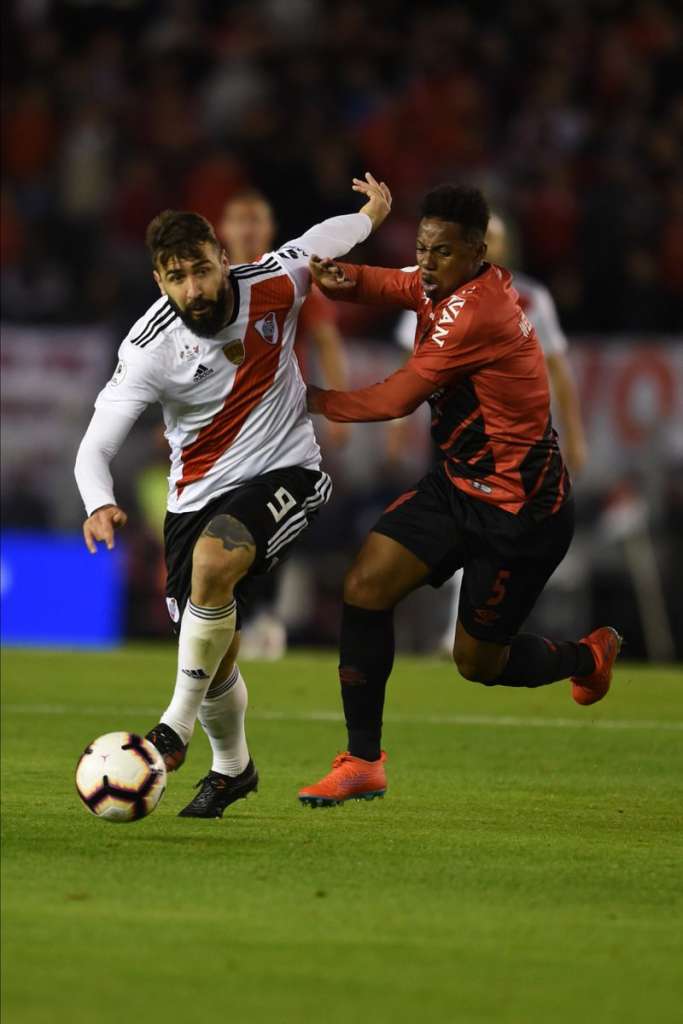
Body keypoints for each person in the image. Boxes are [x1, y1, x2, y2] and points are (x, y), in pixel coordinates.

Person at [74, 172, 392, 819]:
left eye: (199, 268)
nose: (191, 287)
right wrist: (96, 500)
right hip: (195, 497)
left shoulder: (272, 284)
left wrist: (373, 213)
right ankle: (233, 768)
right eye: (175, 276)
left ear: (223, 258)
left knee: (215, 568)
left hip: (288, 470)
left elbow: (321, 240)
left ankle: (172, 730)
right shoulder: (147, 349)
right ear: (160, 281)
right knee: (213, 651)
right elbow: (94, 447)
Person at [298, 184, 622, 808]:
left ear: (476, 254)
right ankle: (363, 761)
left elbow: (395, 399)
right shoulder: (442, 279)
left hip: (520, 511)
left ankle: (585, 657)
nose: (427, 261)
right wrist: (346, 276)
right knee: (365, 586)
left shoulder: (478, 310)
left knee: (477, 663)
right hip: (456, 486)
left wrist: (307, 400)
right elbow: (394, 284)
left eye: (441, 252)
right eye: (422, 248)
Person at [217, 190, 351, 658]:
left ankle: (263, 616)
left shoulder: (289, 275)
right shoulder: (210, 283)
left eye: (257, 219)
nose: (249, 228)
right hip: (222, 427)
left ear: (269, 229)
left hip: (276, 422)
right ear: (225, 229)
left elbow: (327, 339)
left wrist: (336, 406)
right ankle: (231, 614)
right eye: (240, 219)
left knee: (264, 517)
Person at [395, 213, 587, 474]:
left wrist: (574, 434)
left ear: (505, 245)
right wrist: (395, 426)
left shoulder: (532, 298)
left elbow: (558, 369)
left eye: (493, 238)